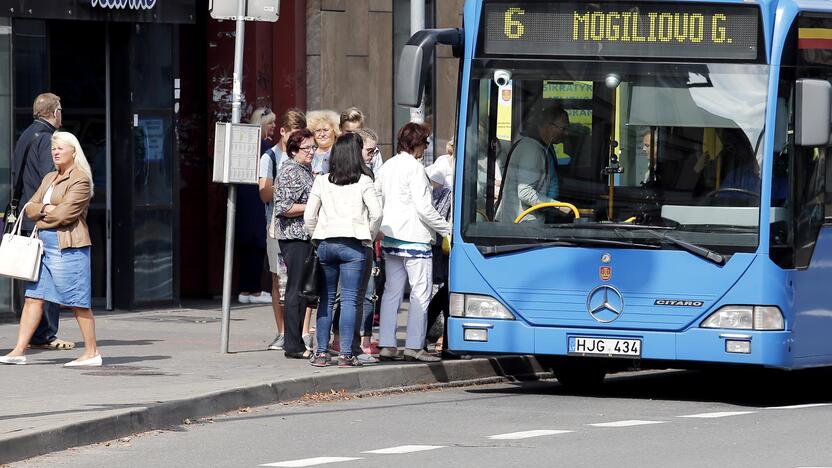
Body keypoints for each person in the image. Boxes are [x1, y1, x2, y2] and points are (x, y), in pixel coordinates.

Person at [1, 131, 100, 366]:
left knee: (77, 301)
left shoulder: (80, 179)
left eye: (60, 148)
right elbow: (30, 206)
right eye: (53, 148)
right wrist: (47, 209)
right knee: (33, 298)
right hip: (44, 246)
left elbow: (65, 215)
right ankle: (18, 351)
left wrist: (43, 211)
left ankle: (92, 352)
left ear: (73, 152)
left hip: (69, 247)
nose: (55, 152)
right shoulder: (49, 177)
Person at [375, 122, 450, 362]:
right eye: (425, 142)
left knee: (392, 291)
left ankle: (387, 344)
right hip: (415, 238)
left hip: (391, 236)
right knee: (420, 292)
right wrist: (447, 229)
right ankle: (414, 346)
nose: (426, 147)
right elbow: (424, 208)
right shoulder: (416, 169)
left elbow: (378, 197)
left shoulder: (387, 165)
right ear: (415, 143)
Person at [304, 133, 381, 367]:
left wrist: (317, 235)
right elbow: (377, 214)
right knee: (349, 301)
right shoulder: (364, 181)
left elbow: (309, 216)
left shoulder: (322, 180)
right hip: (354, 245)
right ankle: (346, 354)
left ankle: (321, 353)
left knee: (326, 300)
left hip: (326, 243)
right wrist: (367, 234)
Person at [9, 92, 73, 352]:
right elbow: (51, 179)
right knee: (48, 276)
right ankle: (45, 333)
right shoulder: (47, 139)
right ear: (54, 112)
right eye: (60, 109)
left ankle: (35, 332)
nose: (61, 114)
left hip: (26, 215)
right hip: (41, 218)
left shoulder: (26, 134)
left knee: (32, 277)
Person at [258, 108, 306, 350]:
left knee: (302, 279)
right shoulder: (271, 157)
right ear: (283, 131)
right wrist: (286, 184)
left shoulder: (306, 154)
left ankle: (303, 331)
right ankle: (282, 331)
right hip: (276, 226)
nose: (298, 141)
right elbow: (264, 193)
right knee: (279, 280)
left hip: (303, 228)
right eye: (293, 135)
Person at [273, 129, 317, 359]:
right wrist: (314, 205)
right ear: (293, 151)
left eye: (313, 147)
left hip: (304, 236)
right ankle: (292, 344)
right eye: (306, 148)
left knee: (302, 290)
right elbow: (285, 208)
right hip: (294, 237)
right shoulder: (291, 171)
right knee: (295, 290)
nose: (311, 152)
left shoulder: (304, 170)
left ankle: (297, 341)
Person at [495, 103, 572, 223]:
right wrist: (558, 206)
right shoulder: (532, 149)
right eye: (563, 128)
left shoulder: (541, 147)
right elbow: (525, 193)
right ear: (549, 126)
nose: (567, 133)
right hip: (521, 227)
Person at [237, 108, 273, 304]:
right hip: (257, 199)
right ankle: (255, 290)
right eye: (270, 123)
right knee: (258, 245)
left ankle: (246, 290)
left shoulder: (248, 144)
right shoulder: (264, 147)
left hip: (245, 200)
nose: (274, 126)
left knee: (248, 247)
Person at [307, 110, 340, 176]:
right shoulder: (308, 154)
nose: (322, 134)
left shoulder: (341, 153)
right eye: (318, 130)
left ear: (335, 131)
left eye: (326, 130)